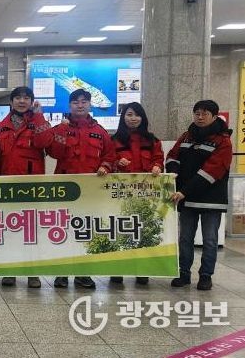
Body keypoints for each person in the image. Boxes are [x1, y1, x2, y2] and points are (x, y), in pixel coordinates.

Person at [39, 88, 115, 289]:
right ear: (69, 105)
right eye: (75, 102)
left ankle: (83, 274)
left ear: (90, 104)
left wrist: (105, 166)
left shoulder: (100, 132)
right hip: (65, 190)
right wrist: (62, 130)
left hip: (90, 191)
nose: (80, 105)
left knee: (86, 232)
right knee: (63, 231)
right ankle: (61, 273)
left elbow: (110, 155)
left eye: (84, 102)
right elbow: (54, 153)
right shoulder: (61, 128)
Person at [168, 100, 232, 291]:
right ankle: (183, 273)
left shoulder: (223, 141)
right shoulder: (186, 136)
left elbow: (211, 171)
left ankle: (205, 276)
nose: (200, 117)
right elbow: (172, 156)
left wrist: (184, 191)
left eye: (205, 114)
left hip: (211, 200)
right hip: (186, 198)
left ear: (214, 116)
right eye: (197, 113)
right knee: (185, 238)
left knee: (210, 240)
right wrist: (173, 172)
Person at [0, 86, 50, 289]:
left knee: (31, 231)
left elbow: (45, 142)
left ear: (32, 101)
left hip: (31, 186)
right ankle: (9, 270)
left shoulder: (39, 122)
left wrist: (38, 116)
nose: (21, 101)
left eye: (26, 98)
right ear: (11, 102)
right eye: (17, 98)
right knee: (9, 230)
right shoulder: (2, 127)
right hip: (7, 185)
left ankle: (32, 273)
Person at [110, 102, 164, 285]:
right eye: (129, 114)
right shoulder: (114, 140)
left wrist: (157, 166)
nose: (133, 118)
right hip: (120, 195)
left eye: (137, 115)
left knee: (143, 231)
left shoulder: (153, 140)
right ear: (123, 117)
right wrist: (117, 163)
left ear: (143, 118)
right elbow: (108, 161)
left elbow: (159, 159)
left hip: (145, 196)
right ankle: (116, 269)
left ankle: (142, 269)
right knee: (119, 231)